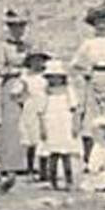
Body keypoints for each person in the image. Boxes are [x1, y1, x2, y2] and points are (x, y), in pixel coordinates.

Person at [72, 2, 105, 164]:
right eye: (98, 22)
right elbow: (75, 64)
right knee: (91, 119)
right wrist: (86, 72)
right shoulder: (88, 44)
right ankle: (91, 158)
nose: (102, 25)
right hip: (94, 79)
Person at [0, 9, 33, 172]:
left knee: (28, 120)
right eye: (15, 27)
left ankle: (28, 163)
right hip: (10, 84)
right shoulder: (3, 47)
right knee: (11, 123)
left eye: (21, 27)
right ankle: (10, 163)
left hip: (27, 83)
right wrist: (13, 71)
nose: (18, 30)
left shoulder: (28, 46)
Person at [35, 59, 81, 190]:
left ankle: (69, 180)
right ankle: (53, 181)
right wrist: (42, 127)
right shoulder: (45, 92)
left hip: (65, 122)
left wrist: (75, 125)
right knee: (53, 153)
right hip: (51, 123)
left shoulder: (68, 91)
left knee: (66, 153)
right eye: (52, 78)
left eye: (58, 77)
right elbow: (40, 111)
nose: (55, 80)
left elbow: (74, 109)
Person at [13, 49, 50, 176]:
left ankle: (44, 170)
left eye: (40, 60)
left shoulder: (48, 75)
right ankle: (30, 168)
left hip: (46, 106)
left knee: (45, 138)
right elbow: (15, 92)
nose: (37, 63)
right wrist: (22, 101)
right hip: (31, 107)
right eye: (34, 60)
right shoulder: (25, 77)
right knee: (31, 139)